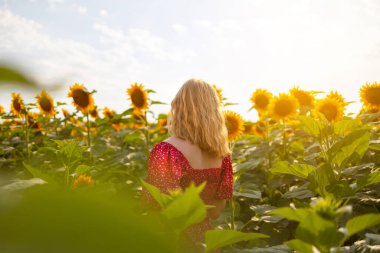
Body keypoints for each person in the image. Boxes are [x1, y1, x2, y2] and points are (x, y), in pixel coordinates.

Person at [141, 78, 233, 253]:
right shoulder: (223, 156)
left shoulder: (166, 150)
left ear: (179, 108)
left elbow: (156, 207)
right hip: (207, 245)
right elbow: (215, 212)